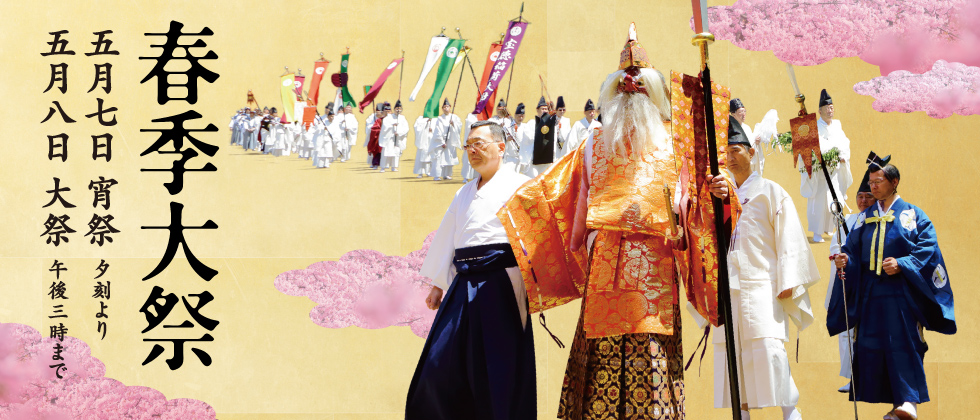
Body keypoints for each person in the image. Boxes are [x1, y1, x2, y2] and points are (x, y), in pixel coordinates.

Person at [499, 24, 730, 419]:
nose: (631, 90)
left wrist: (719, 195)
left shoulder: (675, 145)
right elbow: (560, 194)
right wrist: (514, 210)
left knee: (652, 353)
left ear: (654, 93)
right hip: (605, 265)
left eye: (639, 85)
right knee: (599, 355)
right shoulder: (592, 142)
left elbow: (692, 208)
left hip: (656, 268)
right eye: (624, 87)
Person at [406, 121, 535, 420]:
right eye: (468, 146)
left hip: (503, 280)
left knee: (498, 361)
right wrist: (439, 283)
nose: (472, 151)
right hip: (463, 282)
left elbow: (536, 234)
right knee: (442, 359)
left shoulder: (521, 185)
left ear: (501, 147)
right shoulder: (463, 192)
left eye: (480, 143)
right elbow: (448, 236)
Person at [706, 117, 818, 420]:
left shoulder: (770, 191)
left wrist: (789, 278)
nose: (729, 157)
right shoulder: (717, 196)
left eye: (735, 150)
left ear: (751, 152)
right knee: (734, 353)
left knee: (769, 350)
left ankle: (790, 412)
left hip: (761, 285)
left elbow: (789, 237)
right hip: (728, 288)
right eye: (725, 152)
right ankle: (741, 415)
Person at [829, 154, 955, 420]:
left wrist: (903, 263)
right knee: (873, 345)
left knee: (903, 343)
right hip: (870, 295)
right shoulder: (865, 219)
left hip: (901, 294)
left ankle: (909, 401)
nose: (873, 187)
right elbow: (852, 250)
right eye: (871, 182)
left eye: (879, 181)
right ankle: (894, 406)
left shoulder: (913, 215)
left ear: (894, 182)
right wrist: (845, 260)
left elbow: (928, 249)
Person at [826, 169, 876, 394]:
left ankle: (870, 378)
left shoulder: (879, 220)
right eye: (860, 196)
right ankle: (852, 378)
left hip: (869, 285)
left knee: (868, 331)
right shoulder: (847, 220)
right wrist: (839, 256)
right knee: (847, 331)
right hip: (847, 282)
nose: (863, 200)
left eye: (868, 196)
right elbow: (836, 244)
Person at [801, 89, 852, 243]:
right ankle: (817, 233)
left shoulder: (837, 125)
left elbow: (844, 142)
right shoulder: (814, 127)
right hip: (821, 173)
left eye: (832, 107)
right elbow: (811, 146)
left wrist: (842, 155)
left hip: (835, 170)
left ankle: (830, 229)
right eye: (827, 108)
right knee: (819, 200)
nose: (831, 110)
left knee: (836, 199)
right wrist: (822, 156)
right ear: (820, 111)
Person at [429, 99, 462, 181]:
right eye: (444, 107)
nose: (446, 108)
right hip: (441, 141)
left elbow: (459, 127)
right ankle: (436, 175)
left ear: (450, 107)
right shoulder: (440, 118)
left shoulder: (454, 117)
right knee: (439, 158)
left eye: (447, 106)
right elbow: (437, 131)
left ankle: (447, 175)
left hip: (451, 140)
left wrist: (453, 123)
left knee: (449, 157)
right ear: (442, 108)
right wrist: (441, 142)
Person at [528, 96, 558, 176]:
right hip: (535, 158)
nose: (544, 111)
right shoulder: (531, 123)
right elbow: (529, 138)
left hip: (548, 158)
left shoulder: (552, 123)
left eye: (546, 109)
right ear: (537, 110)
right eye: (542, 109)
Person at [379, 101, 409, 172]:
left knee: (396, 152)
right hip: (389, 138)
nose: (398, 110)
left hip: (398, 138)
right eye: (397, 108)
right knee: (386, 152)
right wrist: (392, 126)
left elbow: (406, 128)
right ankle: (383, 167)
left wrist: (399, 132)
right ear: (394, 109)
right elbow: (385, 126)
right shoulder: (388, 117)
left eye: (400, 108)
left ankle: (394, 167)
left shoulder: (402, 118)